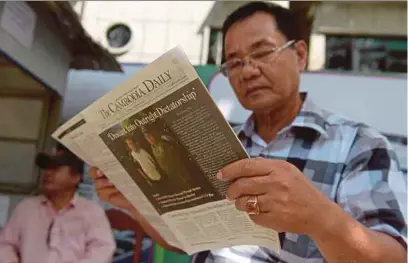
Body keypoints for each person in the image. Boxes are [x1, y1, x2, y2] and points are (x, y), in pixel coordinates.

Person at [88, 2, 407, 263]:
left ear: (299, 55)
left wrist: (320, 217)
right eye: (234, 62)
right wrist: (131, 204)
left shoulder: (358, 145)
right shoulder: (216, 144)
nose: (249, 71)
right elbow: (187, 243)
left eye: (263, 52)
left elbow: (394, 258)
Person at [0, 145, 116, 263]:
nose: (47, 173)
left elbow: (103, 250)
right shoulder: (27, 208)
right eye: (46, 168)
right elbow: (3, 245)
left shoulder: (91, 212)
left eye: (55, 168)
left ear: (75, 177)